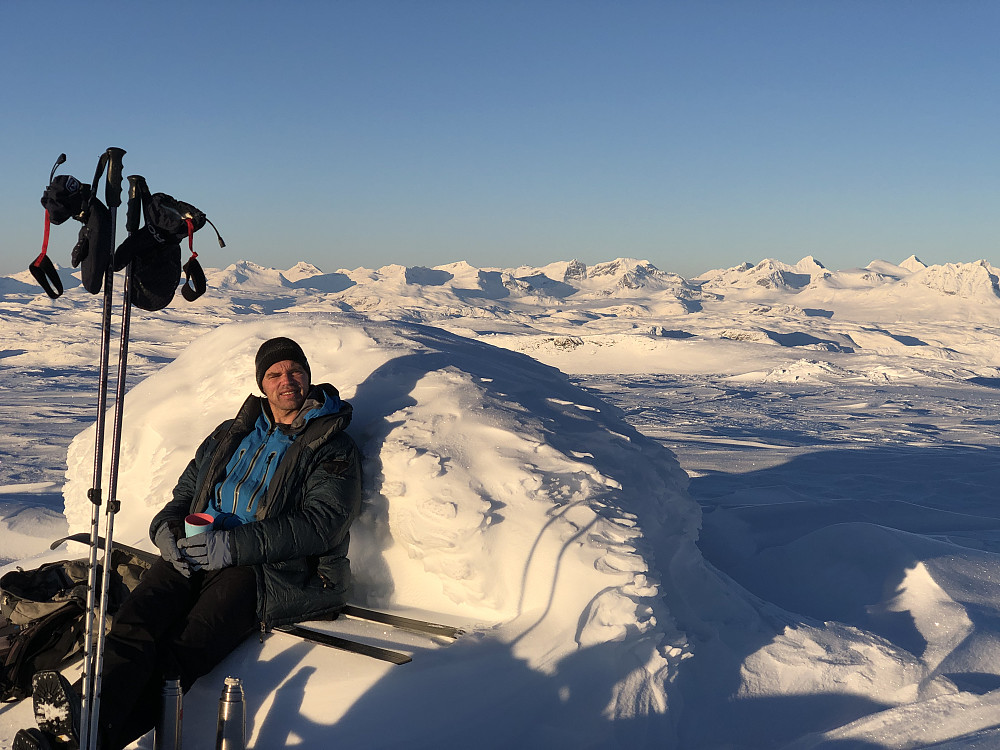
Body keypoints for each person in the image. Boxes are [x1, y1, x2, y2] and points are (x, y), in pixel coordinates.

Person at [15, 337, 363, 750]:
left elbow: (321, 525)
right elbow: (184, 495)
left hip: (265, 569)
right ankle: (75, 724)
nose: (286, 381)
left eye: (295, 371)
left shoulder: (332, 444)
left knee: (182, 651)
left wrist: (233, 548)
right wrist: (165, 529)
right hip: (196, 548)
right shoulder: (233, 432)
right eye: (275, 374)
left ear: (308, 375)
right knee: (133, 625)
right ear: (262, 382)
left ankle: (88, 739)